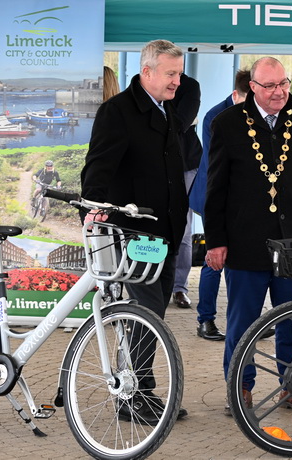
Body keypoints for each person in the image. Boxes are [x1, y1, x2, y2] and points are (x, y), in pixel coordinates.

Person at [204, 57, 292, 413]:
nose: (279, 92)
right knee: (243, 322)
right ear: (252, 87)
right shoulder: (227, 123)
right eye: (270, 86)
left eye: (284, 83)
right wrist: (216, 240)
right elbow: (216, 188)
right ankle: (239, 389)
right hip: (245, 240)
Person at [80, 39, 189, 424]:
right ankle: (133, 396)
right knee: (146, 314)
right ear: (146, 73)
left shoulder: (166, 109)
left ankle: (140, 389)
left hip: (166, 232)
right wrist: (93, 210)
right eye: (171, 73)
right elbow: (97, 167)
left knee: (151, 313)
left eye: (179, 72)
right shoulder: (118, 112)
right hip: (134, 235)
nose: (178, 80)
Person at [189, 69, 250, 341]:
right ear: (236, 94)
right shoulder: (216, 116)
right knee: (214, 259)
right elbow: (220, 166)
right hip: (214, 196)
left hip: (239, 199)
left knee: (247, 260)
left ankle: (247, 323)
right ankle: (206, 321)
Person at [169, 73, 203, 309]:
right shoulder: (145, 82)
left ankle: (179, 287)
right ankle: (155, 284)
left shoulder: (190, 86)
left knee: (183, 228)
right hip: (153, 165)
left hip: (186, 164)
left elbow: (181, 122)